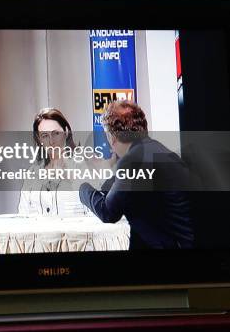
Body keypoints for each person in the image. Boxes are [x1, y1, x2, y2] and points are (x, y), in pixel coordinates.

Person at [79, 100, 194, 249]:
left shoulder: (133, 160)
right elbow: (119, 185)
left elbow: (108, 212)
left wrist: (83, 188)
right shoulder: (156, 150)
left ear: (112, 138)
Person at [18, 107, 94, 217]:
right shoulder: (32, 173)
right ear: (39, 140)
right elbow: (23, 215)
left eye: (56, 133)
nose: (51, 141)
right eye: (45, 136)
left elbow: (94, 216)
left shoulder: (84, 168)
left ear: (66, 132)